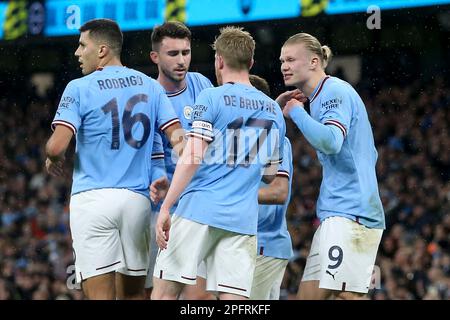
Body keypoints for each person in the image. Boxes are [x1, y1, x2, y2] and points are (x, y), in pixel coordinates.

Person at [44, 18, 183, 300]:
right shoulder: (151, 86)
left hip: (92, 200)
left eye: (82, 45)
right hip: (136, 201)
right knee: (133, 296)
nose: (77, 52)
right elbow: (177, 137)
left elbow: (57, 147)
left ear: (102, 50)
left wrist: (51, 156)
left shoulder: (79, 87)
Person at [151, 26, 286, 300]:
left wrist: (166, 207)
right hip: (243, 220)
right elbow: (271, 174)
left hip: (197, 211)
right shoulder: (275, 111)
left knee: (165, 294)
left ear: (220, 61)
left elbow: (191, 156)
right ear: (251, 63)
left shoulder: (210, 97)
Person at [278, 32, 385, 300]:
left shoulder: (332, 91)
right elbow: (369, 154)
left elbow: (332, 142)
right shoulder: (323, 96)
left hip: (349, 215)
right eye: (282, 60)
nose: (284, 66)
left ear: (314, 62)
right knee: (341, 296)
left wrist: (296, 112)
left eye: (291, 59)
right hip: (350, 213)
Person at [144, 21, 215, 300]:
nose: (182, 60)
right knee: (155, 291)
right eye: (173, 54)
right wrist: (158, 177)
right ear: (155, 57)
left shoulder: (202, 84)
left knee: (202, 295)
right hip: (165, 208)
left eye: (186, 52)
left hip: (202, 204)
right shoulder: (148, 96)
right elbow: (151, 152)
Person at [248, 75, 294, 300]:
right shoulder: (236, 140)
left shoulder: (277, 139)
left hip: (265, 244)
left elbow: (278, 192)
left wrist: (233, 194)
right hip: (241, 241)